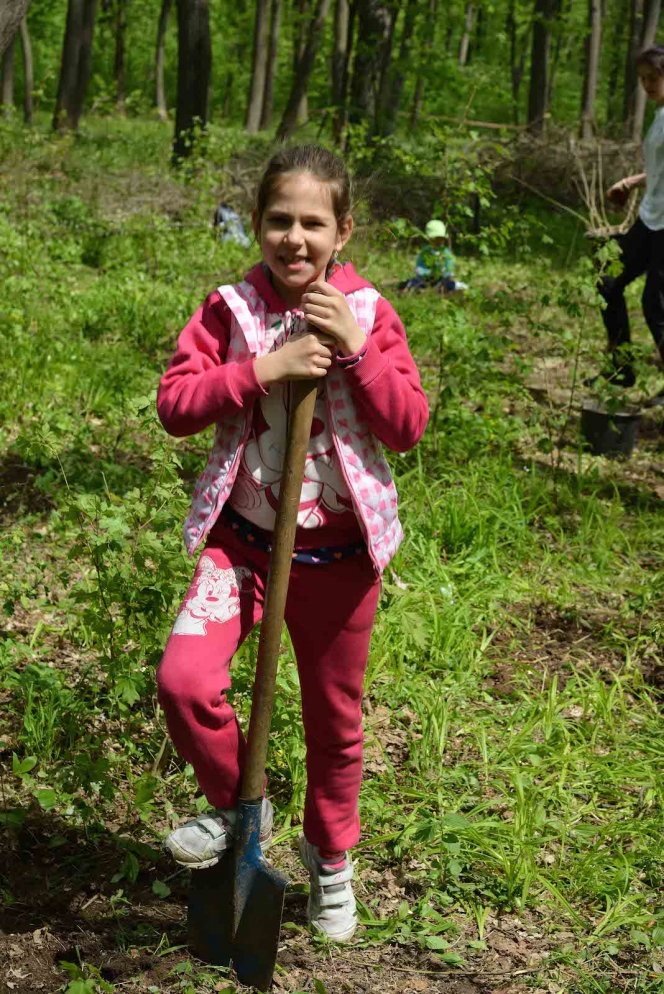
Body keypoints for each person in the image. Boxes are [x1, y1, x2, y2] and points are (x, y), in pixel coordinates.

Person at [155, 145, 429, 943]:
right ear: (258, 222)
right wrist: (264, 367)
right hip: (240, 547)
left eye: (314, 223)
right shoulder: (231, 309)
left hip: (338, 562)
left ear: (344, 230)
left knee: (333, 719)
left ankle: (330, 856)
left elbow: (406, 426)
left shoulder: (371, 311)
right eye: (280, 220)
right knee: (183, 678)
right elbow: (176, 404)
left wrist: (357, 346)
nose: (295, 239)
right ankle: (241, 803)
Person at [589, 45, 664, 405]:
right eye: (643, 79)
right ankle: (622, 368)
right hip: (651, 218)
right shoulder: (660, 115)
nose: (648, 85)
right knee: (608, 281)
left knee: (656, 303)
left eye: (654, 77)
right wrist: (633, 182)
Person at [398, 219, 467, 293]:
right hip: (425, 279)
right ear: (429, 238)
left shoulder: (446, 252)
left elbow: (449, 267)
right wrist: (427, 273)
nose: (438, 241)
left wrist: (444, 272)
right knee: (411, 282)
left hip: (441, 279)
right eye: (435, 239)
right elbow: (419, 267)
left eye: (440, 239)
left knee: (448, 284)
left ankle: (454, 285)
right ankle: (413, 288)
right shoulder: (424, 252)